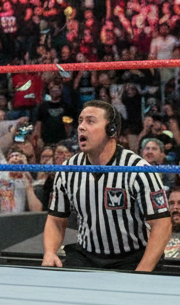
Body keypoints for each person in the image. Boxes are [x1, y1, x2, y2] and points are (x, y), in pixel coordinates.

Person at [42, 102, 172, 272]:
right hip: (86, 256)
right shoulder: (68, 169)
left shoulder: (137, 169)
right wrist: (50, 252)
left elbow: (162, 224)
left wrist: (142, 272)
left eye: (90, 121)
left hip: (131, 258)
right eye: (80, 121)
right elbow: (56, 220)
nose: (81, 127)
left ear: (111, 130)